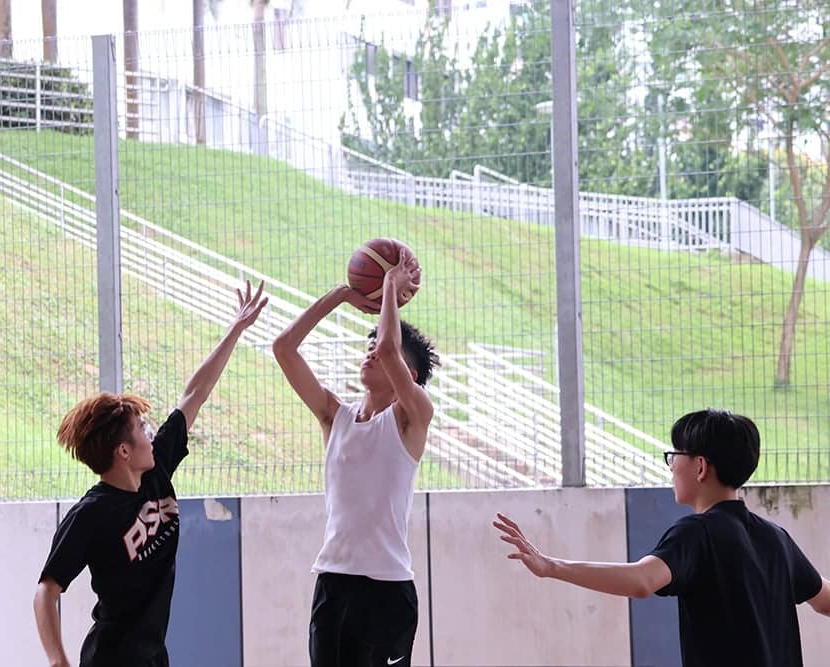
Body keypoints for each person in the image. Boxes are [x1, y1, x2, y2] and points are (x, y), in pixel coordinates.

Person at [33, 281, 268, 667]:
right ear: (123, 452)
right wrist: (58, 662)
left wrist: (236, 329)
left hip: (154, 655)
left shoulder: (156, 469)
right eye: (142, 428)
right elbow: (47, 590)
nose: (150, 431)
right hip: (113, 658)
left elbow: (195, 394)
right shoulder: (92, 513)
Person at [493, 408, 830, 667]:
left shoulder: (698, 533)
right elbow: (825, 600)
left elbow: (641, 581)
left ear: (700, 467)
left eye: (674, 456)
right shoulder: (776, 538)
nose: (671, 466)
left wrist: (551, 566)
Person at [272, 246, 438, 667]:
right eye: (367, 348)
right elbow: (283, 348)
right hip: (333, 583)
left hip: (387, 591)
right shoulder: (335, 417)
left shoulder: (412, 418)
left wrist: (388, 288)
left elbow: (386, 346)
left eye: (386, 356)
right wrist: (342, 296)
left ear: (409, 377)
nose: (372, 352)